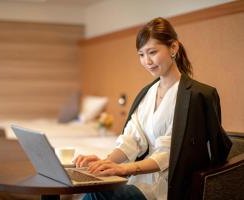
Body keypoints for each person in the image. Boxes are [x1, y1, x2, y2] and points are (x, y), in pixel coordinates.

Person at [73, 17, 232, 200]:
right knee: (95, 186)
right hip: (139, 180)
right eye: (141, 54)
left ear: (173, 48)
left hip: (168, 188)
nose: (147, 61)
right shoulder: (147, 93)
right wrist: (106, 162)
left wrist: (124, 168)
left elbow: (172, 152)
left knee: (100, 193)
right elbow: (132, 139)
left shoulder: (196, 95)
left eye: (152, 52)